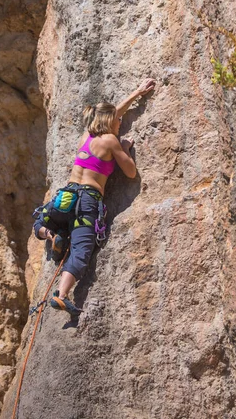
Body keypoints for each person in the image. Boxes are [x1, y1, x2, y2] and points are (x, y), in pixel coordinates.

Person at [33, 78, 155, 317]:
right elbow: (130, 173)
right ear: (110, 123)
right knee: (81, 250)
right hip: (88, 201)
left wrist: (137, 92)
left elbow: (113, 113)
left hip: (65, 197)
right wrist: (126, 148)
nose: (120, 122)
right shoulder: (111, 141)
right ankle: (61, 294)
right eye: (118, 121)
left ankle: (50, 234)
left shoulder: (85, 136)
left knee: (40, 219)